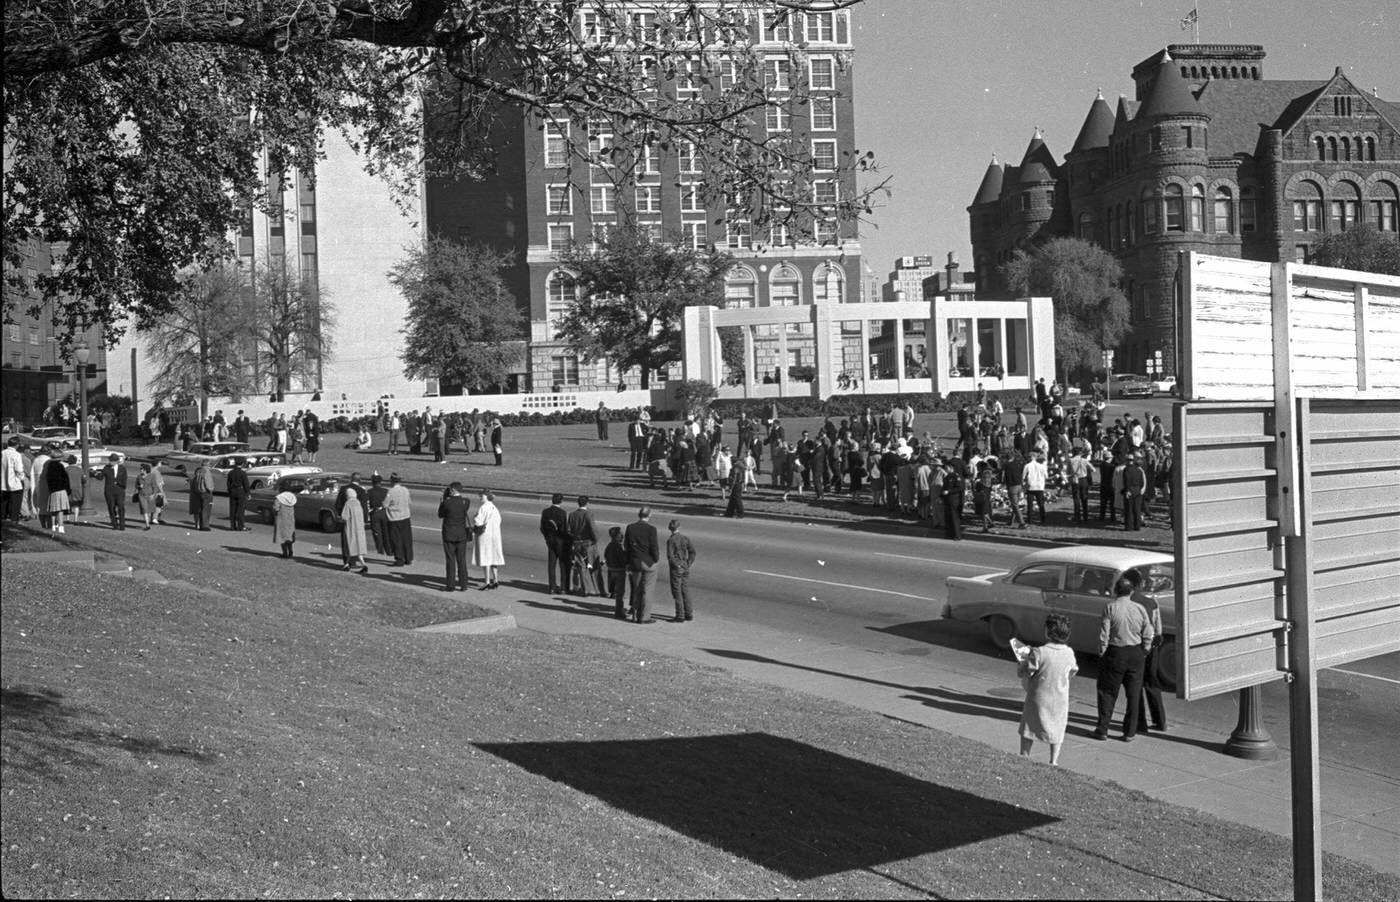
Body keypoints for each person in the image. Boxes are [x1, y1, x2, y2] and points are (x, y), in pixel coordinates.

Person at [1094, 577, 1155, 742]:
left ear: (1116, 591)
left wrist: (1102, 652)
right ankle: (1129, 732)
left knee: (1107, 693)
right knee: (1133, 695)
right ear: (1131, 591)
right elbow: (1148, 631)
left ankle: (1103, 729)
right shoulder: (1140, 608)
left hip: (1115, 652)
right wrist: (1145, 648)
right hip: (1135, 653)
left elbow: (1104, 633)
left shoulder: (1110, 608)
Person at [1018, 612, 1079, 765]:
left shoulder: (1040, 652)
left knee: (1030, 725)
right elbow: (1072, 671)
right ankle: (1054, 760)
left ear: (1048, 632)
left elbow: (1028, 671)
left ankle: (1024, 754)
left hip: (1038, 696)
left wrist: (1023, 662)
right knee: (1057, 728)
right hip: (1060, 697)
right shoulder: (1069, 653)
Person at [1126, 568, 1170, 735]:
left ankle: (1140, 722)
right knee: (1152, 683)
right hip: (1152, 648)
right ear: (1141, 583)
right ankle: (1160, 720)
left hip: (1135, 648)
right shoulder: (1152, 602)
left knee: (1135, 684)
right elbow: (1158, 628)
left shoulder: (1128, 603)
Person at [624, 506, 661, 623]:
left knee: (636, 589)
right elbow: (654, 548)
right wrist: (655, 559)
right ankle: (644, 617)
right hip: (648, 561)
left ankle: (635, 614)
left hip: (635, 561)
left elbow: (627, 547)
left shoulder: (630, 527)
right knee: (647, 590)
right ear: (649, 515)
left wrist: (628, 562)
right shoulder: (651, 529)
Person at [438, 482, 472, 591]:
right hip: (461, 534)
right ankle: (463, 584)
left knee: (450, 560)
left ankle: (450, 585)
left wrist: (442, 501)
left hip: (449, 534)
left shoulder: (447, 503)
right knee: (461, 560)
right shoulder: (465, 502)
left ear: (452, 490)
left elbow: (440, 514)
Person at [567, 496, 603, 596]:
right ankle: (599, 589)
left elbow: (569, 530)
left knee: (580, 566)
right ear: (587, 503)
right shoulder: (588, 514)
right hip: (588, 543)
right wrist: (595, 540)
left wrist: (575, 538)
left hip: (577, 543)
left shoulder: (572, 515)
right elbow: (593, 529)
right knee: (593, 566)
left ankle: (582, 588)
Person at [666, 519, 697, 623]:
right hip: (685, 565)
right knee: (685, 589)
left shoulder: (671, 540)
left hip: (677, 568)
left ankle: (680, 615)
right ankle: (689, 613)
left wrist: (677, 565)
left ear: (670, 528)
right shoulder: (685, 538)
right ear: (679, 527)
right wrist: (688, 563)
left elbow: (670, 556)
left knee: (677, 591)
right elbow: (692, 551)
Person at [472, 490, 504, 589]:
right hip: (495, 535)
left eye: (482, 495)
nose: (480, 497)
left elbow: (478, 521)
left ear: (486, 496)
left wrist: (475, 519)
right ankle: (495, 580)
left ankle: (486, 581)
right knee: (494, 558)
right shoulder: (494, 507)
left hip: (485, 535)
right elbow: (499, 520)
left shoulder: (483, 507)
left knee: (485, 558)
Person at [540, 492, 570, 593]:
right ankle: (563, 587)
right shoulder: (562, 513)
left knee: (551, 564)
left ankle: (552, 586)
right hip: (560, 541)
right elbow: (564, 530)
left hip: (550, 540)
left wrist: (547, 537)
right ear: (561, 501)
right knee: (563, 564)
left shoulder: (546, 512)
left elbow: (542, 527)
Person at [383, 473, 414, 566]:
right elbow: (409, 501)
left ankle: (399, 559)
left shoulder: (391, 492)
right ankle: (408, 558)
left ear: (392, 481)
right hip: (405, 517)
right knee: (406, 538)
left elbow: (385, 504)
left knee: (396, 539)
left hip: (395, 518)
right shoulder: (405, 490)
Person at [339, 487, 371, 574]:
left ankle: (348, 564)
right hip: (359, 528)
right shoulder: (358, 502)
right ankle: (358, 564)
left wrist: (339, 519)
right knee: (359, 548)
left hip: (351, 528)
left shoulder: (348, 503)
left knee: (350, 545)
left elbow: (345, 517)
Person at [42, 449, 71, 533]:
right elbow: (65, 479)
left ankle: (53, 526)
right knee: (60, 510)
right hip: (61, 489)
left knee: (54, 509)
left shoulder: (49, 466)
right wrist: (68, 490)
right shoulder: (60, 466)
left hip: (53, 490)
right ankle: (61, 527)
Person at [603, 526, 630, 619]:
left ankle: (619, 609)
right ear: (617, 535)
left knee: (616, 591)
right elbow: (622, 559)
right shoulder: (618, 546)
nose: (622, 535)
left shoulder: (610, 545)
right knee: (620, 593)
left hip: (612, 570)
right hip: (619, 570)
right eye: (620, 534)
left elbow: (606, 556)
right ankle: (619, 612)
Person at [99, 452, 128, 530]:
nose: (110, 462)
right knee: (111, 507)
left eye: (112, 461)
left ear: (116, 461)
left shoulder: (122, 468)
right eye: (110, 460)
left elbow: (125, 479)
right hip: (109, 491)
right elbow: (101, 477)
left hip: (119, 490)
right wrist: (94, 473)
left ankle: (122, 525)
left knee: (121, 507)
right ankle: (114, 524)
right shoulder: (106, 468)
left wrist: (120, 484)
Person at [134, 462, 165, 529]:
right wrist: (139, 486)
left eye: (141, 469)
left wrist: (154, 494)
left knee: (149, 510)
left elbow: (155, 486)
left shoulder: (151, 476)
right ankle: (147, 525)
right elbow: (136, 486)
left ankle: (150, 520)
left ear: (145, 470)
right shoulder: (139, 477)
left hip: (150, 495)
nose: (140, 470)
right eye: (140, 469)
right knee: (144, 509)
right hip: (141, 495)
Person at [2, 436, 26, 521]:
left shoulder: (2, 453)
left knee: (3, 505)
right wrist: (22, 478)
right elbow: (18, 469)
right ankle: (14, 520)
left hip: (3, 483)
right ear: (17, 445)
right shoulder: (16, 455)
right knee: (15, 506)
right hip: (15, 483)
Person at [365, 473, 390, 556]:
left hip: (375, 514)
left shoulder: (369, 492)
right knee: (386, 532)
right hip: (384, 513)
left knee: (377, 533)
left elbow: (367, 504)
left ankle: (380, 551)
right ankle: (389, 551)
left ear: (372, 482)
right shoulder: (386, 491)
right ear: (380, 482)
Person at [1023, 451, 1048, 525]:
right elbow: (1046, 476)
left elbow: (1023, 476)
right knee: (1041, 504)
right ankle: (1043, 519)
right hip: (1039, 486)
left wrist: (1025, 483)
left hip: (1031, 486)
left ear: (1030, 457)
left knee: (1030, 504)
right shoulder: (1042, 466)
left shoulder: (1027, 466)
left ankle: (1030, 519)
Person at [225, 457, 250, 531]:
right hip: (240, 491)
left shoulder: (231, 472)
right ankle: (241, 526)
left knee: (232, 510)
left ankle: (232, 526)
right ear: (242, 464)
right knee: (240, 510)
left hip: (233, 491)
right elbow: (246, 484)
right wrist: (248, 493)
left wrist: (230, 491)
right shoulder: (242, 473)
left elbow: (228, 483)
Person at [190, 461, 214, 530]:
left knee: (201, 509)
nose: (210, 467)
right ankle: (205, 526)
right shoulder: (207, 472)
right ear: (207, 465)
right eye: (210, 465)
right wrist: (211, 490)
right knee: (206, 510)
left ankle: (200, 525)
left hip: (199, 492)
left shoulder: (199, 471)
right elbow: (208, 483)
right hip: (206, 492)